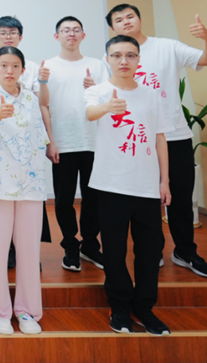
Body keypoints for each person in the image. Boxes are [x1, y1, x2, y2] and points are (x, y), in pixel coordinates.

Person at [106, 4, 207, 276]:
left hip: (175, 134)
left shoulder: (167, 47)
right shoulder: (113, 57)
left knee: (181, 197)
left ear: (139, 19)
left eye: (130, 16)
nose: (126, 21)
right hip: (138, 138)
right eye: (119, 19)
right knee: (145, 200)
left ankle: (185, 252)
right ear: (112, 28)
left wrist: (205, 37)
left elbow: (204, 59)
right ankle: (152, 251)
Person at [85, 35, 174, 335]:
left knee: (150, 251)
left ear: (138, 59)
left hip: (147, 185)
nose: (124, 61)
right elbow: (89, 113)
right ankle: (120, 306)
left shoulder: (151, 94)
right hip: (111, 185)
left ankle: (144, 308)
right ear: (107, 59)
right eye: (117, 55)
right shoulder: (97, 91)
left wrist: (164, 180)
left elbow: (160, 138)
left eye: (130, 55)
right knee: (114, 250)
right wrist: (107, 106)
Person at [0, 47, 48, 335]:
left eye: (15, 66)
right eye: (4, 65)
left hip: (30, 184)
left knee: (28, 251)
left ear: (23, 70)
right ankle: (1, 313)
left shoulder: (30, 99)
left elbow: (39, 139)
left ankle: (27, 311)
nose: (10, 71)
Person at [0, 15, 52, 268]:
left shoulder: (32, 67)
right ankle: (8, 252)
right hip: (0, 147)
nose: (8, 36)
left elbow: (42, 104)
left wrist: (49, 141)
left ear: (20, 37)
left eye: (12, 32)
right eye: (2, 33)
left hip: (27, 148)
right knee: (2, 205)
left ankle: (29, 253)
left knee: (29, 203)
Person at [46, 16, 108, 271]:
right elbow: (43, 105)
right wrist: (50, 141)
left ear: (83, 35)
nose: (71, 33)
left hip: (93, 141)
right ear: (57, 36)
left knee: (93, 198)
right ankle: (70, 246)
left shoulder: (97, 65)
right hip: (63, 142)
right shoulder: (48, 66)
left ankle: (90, 246)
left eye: (76, 30)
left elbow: (110, 100)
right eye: (65, 30)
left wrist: (97, 87)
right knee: (64, 200)